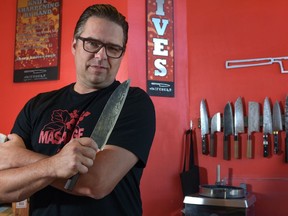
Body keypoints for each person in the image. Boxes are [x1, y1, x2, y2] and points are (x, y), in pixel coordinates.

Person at [0, 4, 155, 216]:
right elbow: (3, 186)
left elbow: (96, 183)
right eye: (92, 43)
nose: (101, 56)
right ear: (74, 44)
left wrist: (20, 158)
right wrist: (55, 165)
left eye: (112, 48)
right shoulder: (37, 105)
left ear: (121, 53)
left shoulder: (132, 102)